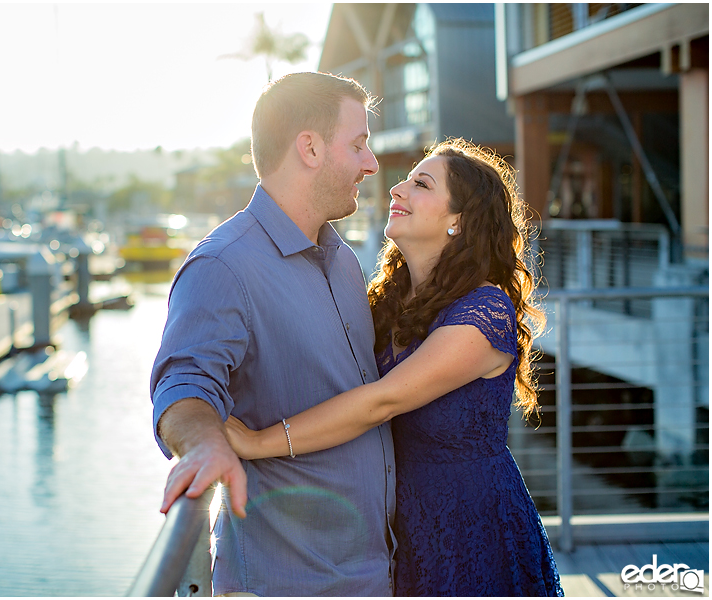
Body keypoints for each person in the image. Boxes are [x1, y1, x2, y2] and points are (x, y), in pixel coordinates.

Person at [224, 138, 565, 596]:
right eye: (405, 179)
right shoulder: (386, 303)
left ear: (458, 222)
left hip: (469, 526)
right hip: (395, 527)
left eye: (420, 184)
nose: (396, 189)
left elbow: (382, 401)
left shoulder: (486, 311)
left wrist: (256, 442)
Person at [150, 72, 396, 596]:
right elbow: (184, 384)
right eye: (358, 145)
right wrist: (203, 446)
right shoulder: (223, 265)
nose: (371, 163)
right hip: (286, 583)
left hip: (372, 573)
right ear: (309, 147)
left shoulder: (345, 260)